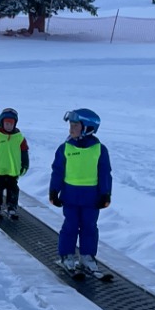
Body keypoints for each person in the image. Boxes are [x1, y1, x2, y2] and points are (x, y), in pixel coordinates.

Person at [49, 108, 110, 275]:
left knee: (89, 227)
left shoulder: (99, 149)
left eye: (75, 125)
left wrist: (105, 194)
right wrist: (54, 191)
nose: (71, 128)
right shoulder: (65, 148)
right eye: (70, 125)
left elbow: (105, 173)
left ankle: (87, 256)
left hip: (91, 198)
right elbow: (58, 171)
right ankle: (67, 255)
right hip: (70, 196)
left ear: (87, 128)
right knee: (70, 226)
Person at [0, 108, 29, 218]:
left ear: (15, 124)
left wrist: (25, 164)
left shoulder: (19, 138)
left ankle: (12, 206)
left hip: (13, 169)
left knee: (13, 189)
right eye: (7, 124)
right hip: (0, 169)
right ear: (2, 123)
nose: (9, 126)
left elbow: (24, 152)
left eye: (11, 124)